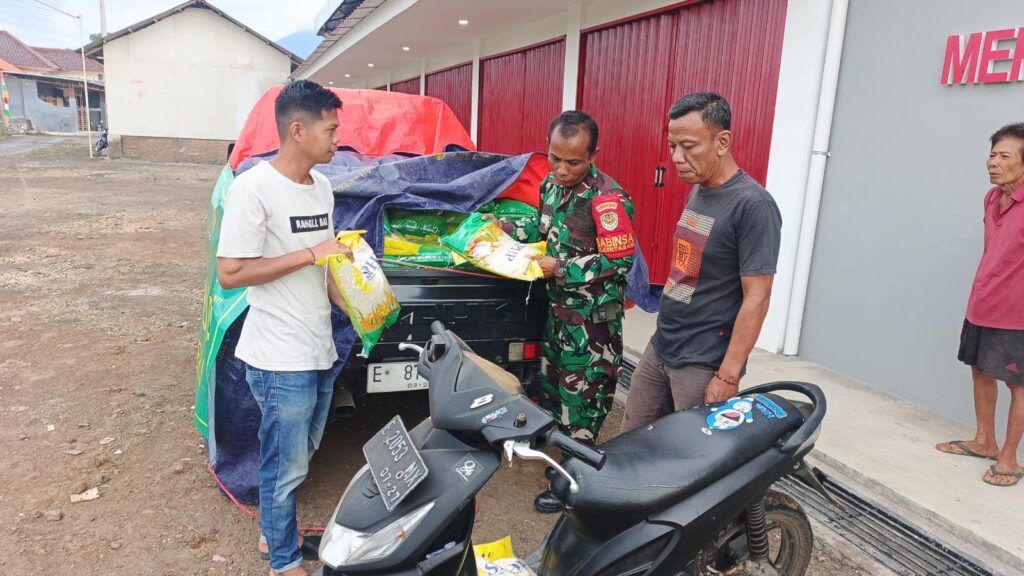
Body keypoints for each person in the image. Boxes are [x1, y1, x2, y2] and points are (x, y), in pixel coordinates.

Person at [217, 80, 350, 576]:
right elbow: (230, 272)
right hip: (278, 356)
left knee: (299, 454)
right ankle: (283, 561)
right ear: (298, 130)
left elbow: (326, 262)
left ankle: (274, 534)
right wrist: (311, 253)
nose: (338, 139)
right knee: (284, 463)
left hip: (317, 346)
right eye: (330, 129)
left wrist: (360, 308)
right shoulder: (254, 189)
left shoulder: (322, 188)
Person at [492, 110, 635, 512]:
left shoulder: (608, 200)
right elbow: (543, 232)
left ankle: (576, 485)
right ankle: (562, 460)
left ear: (593, 156)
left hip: (592, 325)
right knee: (553, 390)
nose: (561, 169)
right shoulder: (551, 187)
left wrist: (561, 268)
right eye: (555, 158)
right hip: (559, 316)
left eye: (573, 162)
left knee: (583, 402)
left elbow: (619, 261)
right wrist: (502, 228)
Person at [621, 92, 781, 433]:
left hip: (702, 363)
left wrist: (728, 375)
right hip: (663, 344)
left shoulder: (753, 205)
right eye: (672, 146)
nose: (677, 158)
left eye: (689, 147)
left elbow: (758, 297)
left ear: (722, 142)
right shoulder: (700, 189)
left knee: (689, 452)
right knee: (631, 441)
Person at [936, 122, 1024, 488]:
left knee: (1019, 384)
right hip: (983, 301)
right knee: (979, 370)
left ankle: (1009, 458)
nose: (993, 162)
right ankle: (984, 441)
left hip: (1016, 313)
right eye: (992, 154)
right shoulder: (992, 198)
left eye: (1004, 156)